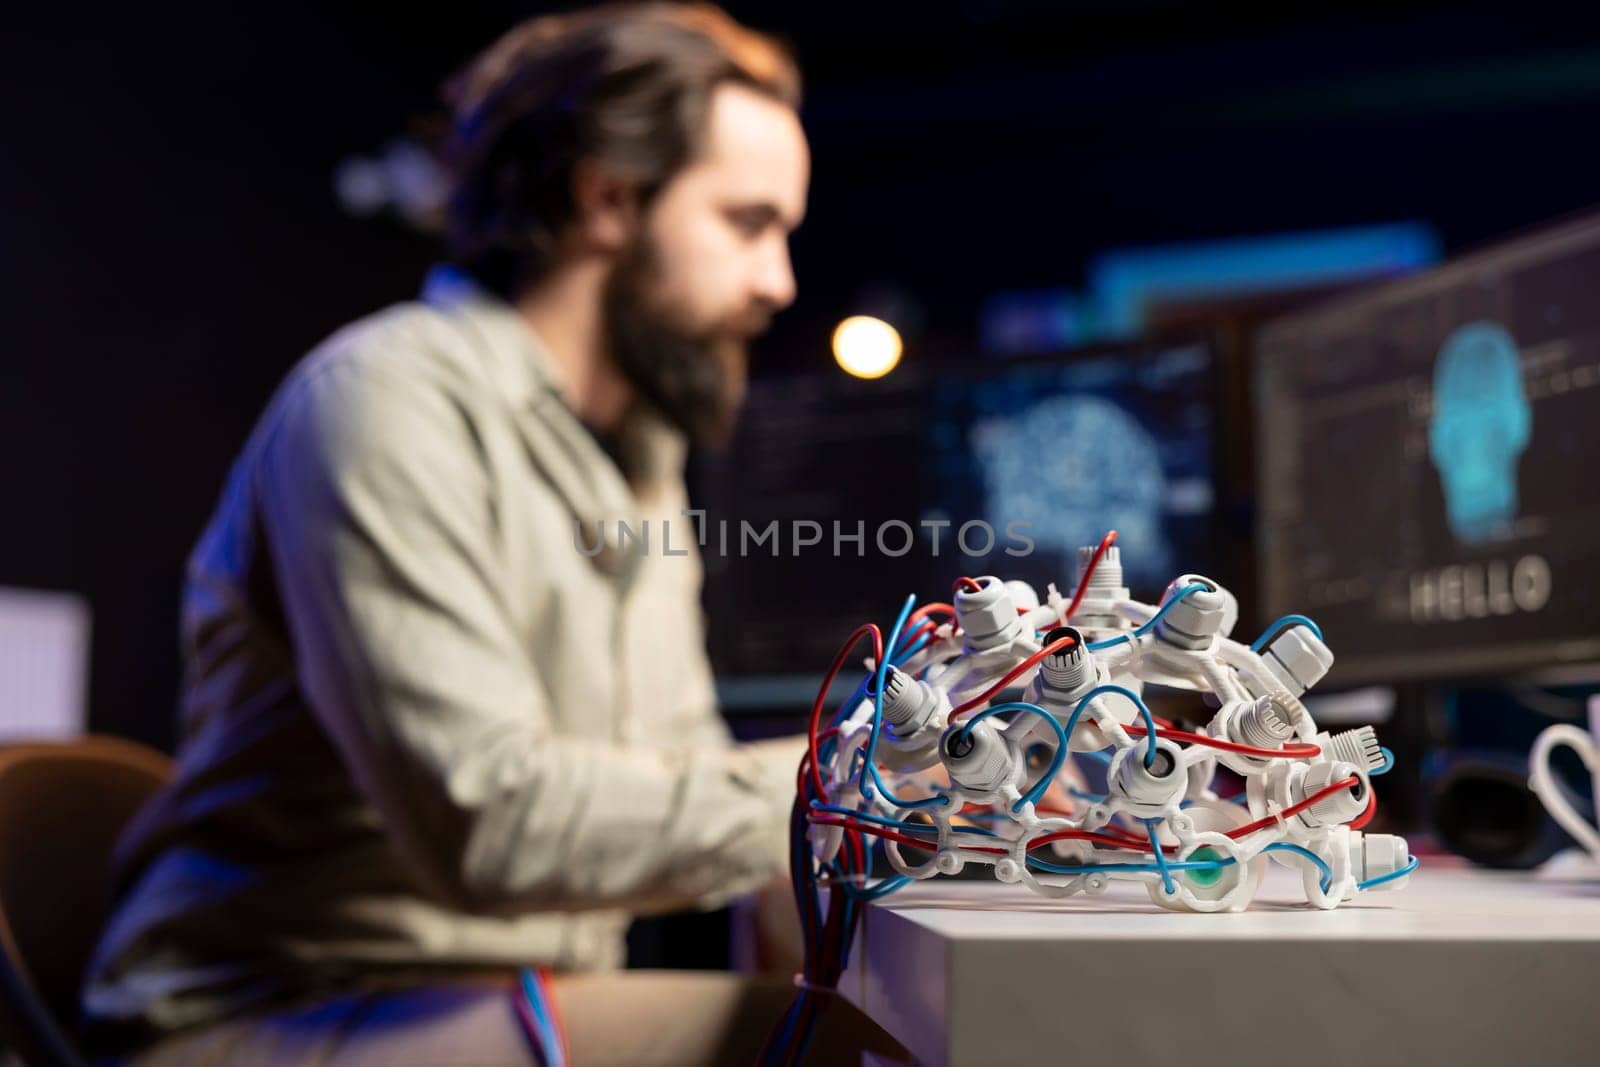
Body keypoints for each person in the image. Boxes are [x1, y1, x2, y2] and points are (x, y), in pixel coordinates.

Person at [79, 5, 861, 1063]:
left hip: (495, 992)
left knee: (866, 1012)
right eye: (747, 222)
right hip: (267, 1010)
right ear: (608, 199)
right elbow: (494, 824)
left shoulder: (635, 453)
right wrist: (848, 778)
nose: (779, 281)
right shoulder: (381, 397)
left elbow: (680, 768)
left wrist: (825, 843)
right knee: (850, 1042)